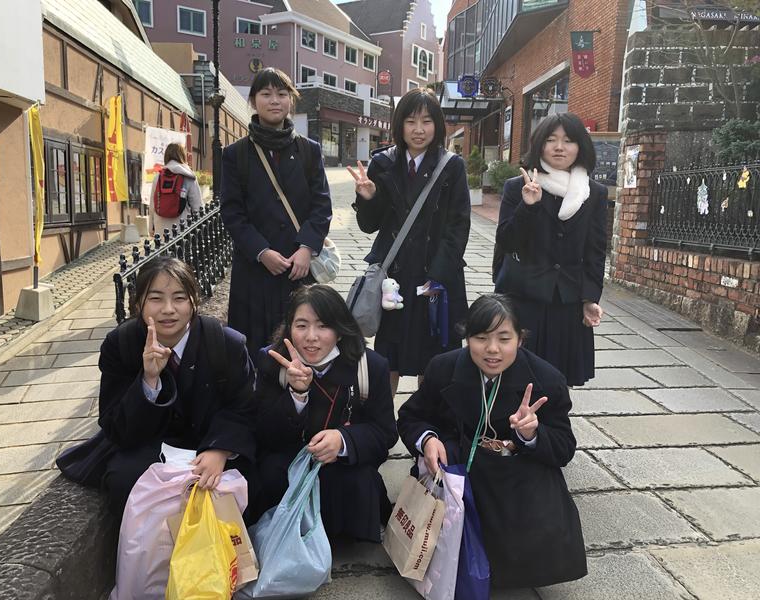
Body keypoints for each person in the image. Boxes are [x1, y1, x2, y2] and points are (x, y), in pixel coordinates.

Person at [397, 294, 586, 589]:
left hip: (517, 469)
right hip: (458, 465)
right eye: (481, 338)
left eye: (504, 338)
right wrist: (428, 440)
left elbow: (564, 447)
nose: (492, 349)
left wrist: (532, 434)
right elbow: (411, 416)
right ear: (467, 337)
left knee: (540, 524)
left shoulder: (547, 380)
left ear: (520, 339)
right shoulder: (443, 368)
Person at [97, 256, 256, 516]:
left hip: (209, 442)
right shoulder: (121, 345)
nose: (168, 309)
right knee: (124, 481)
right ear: (138, 303)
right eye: (156, 298)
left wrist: (221, 448)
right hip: (150, 446)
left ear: (194, 301)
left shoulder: (226, 343)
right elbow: (115, 425)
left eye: (179, 298)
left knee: (244, 483)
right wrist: (149, 380)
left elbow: (245, 406)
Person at [251, 285, 398, 542]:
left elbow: (385, 433)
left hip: (342, 468)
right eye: (301, 325)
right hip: (289, 461)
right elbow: (262, 433)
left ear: (340, 331)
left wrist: (343, 441)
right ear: (289, 328)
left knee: (360, 479)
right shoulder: (272, 362)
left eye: (323, 326)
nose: (311, 337)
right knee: (270, 472)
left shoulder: (370, 366)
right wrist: (297, 395)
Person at [347, 87, 470, 394]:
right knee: (388, 356)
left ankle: (426, 419)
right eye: (411, 121)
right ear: (399, 124)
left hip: (435, 278)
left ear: (437, 125)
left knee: (434, 358)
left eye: (427, 121)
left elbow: (458, 226)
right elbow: (369, 225)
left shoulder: (451, 166)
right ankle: (381, 418)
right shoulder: (382, 163)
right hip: (395, 280)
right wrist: (368, 198)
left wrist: (436, 277)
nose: (418, 129)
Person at [221, 68, 332, 360]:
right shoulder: (236, 154)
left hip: (298, 268)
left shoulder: (309, 150)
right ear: (253, 100)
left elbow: (322, 205)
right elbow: (232, 212)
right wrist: (261, 252)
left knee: (302, 343)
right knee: (253, 348)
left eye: (282, 94)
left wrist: (306, 248)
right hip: (254, 270)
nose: (274, 100)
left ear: (291, 100)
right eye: (266, 94)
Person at [493, 112, 607, 386]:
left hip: (567, 302)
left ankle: (552, 417)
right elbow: (506, 242)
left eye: (568, 141)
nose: (559, 147)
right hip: (523, 298)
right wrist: (528, 206)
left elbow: (595, 250)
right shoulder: (517, 187)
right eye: (551, 139)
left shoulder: (593, 193)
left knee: (558, 383)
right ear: (540, 144)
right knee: (516, 380)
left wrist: (590, 298)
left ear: (580, 146)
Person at [149, 142, 203, 235]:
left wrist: (151, 228)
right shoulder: (188, 176)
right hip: (182, 229)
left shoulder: (158, 177)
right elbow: (198, 206)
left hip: (161, 230)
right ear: (182, 156)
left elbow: (152, 205)